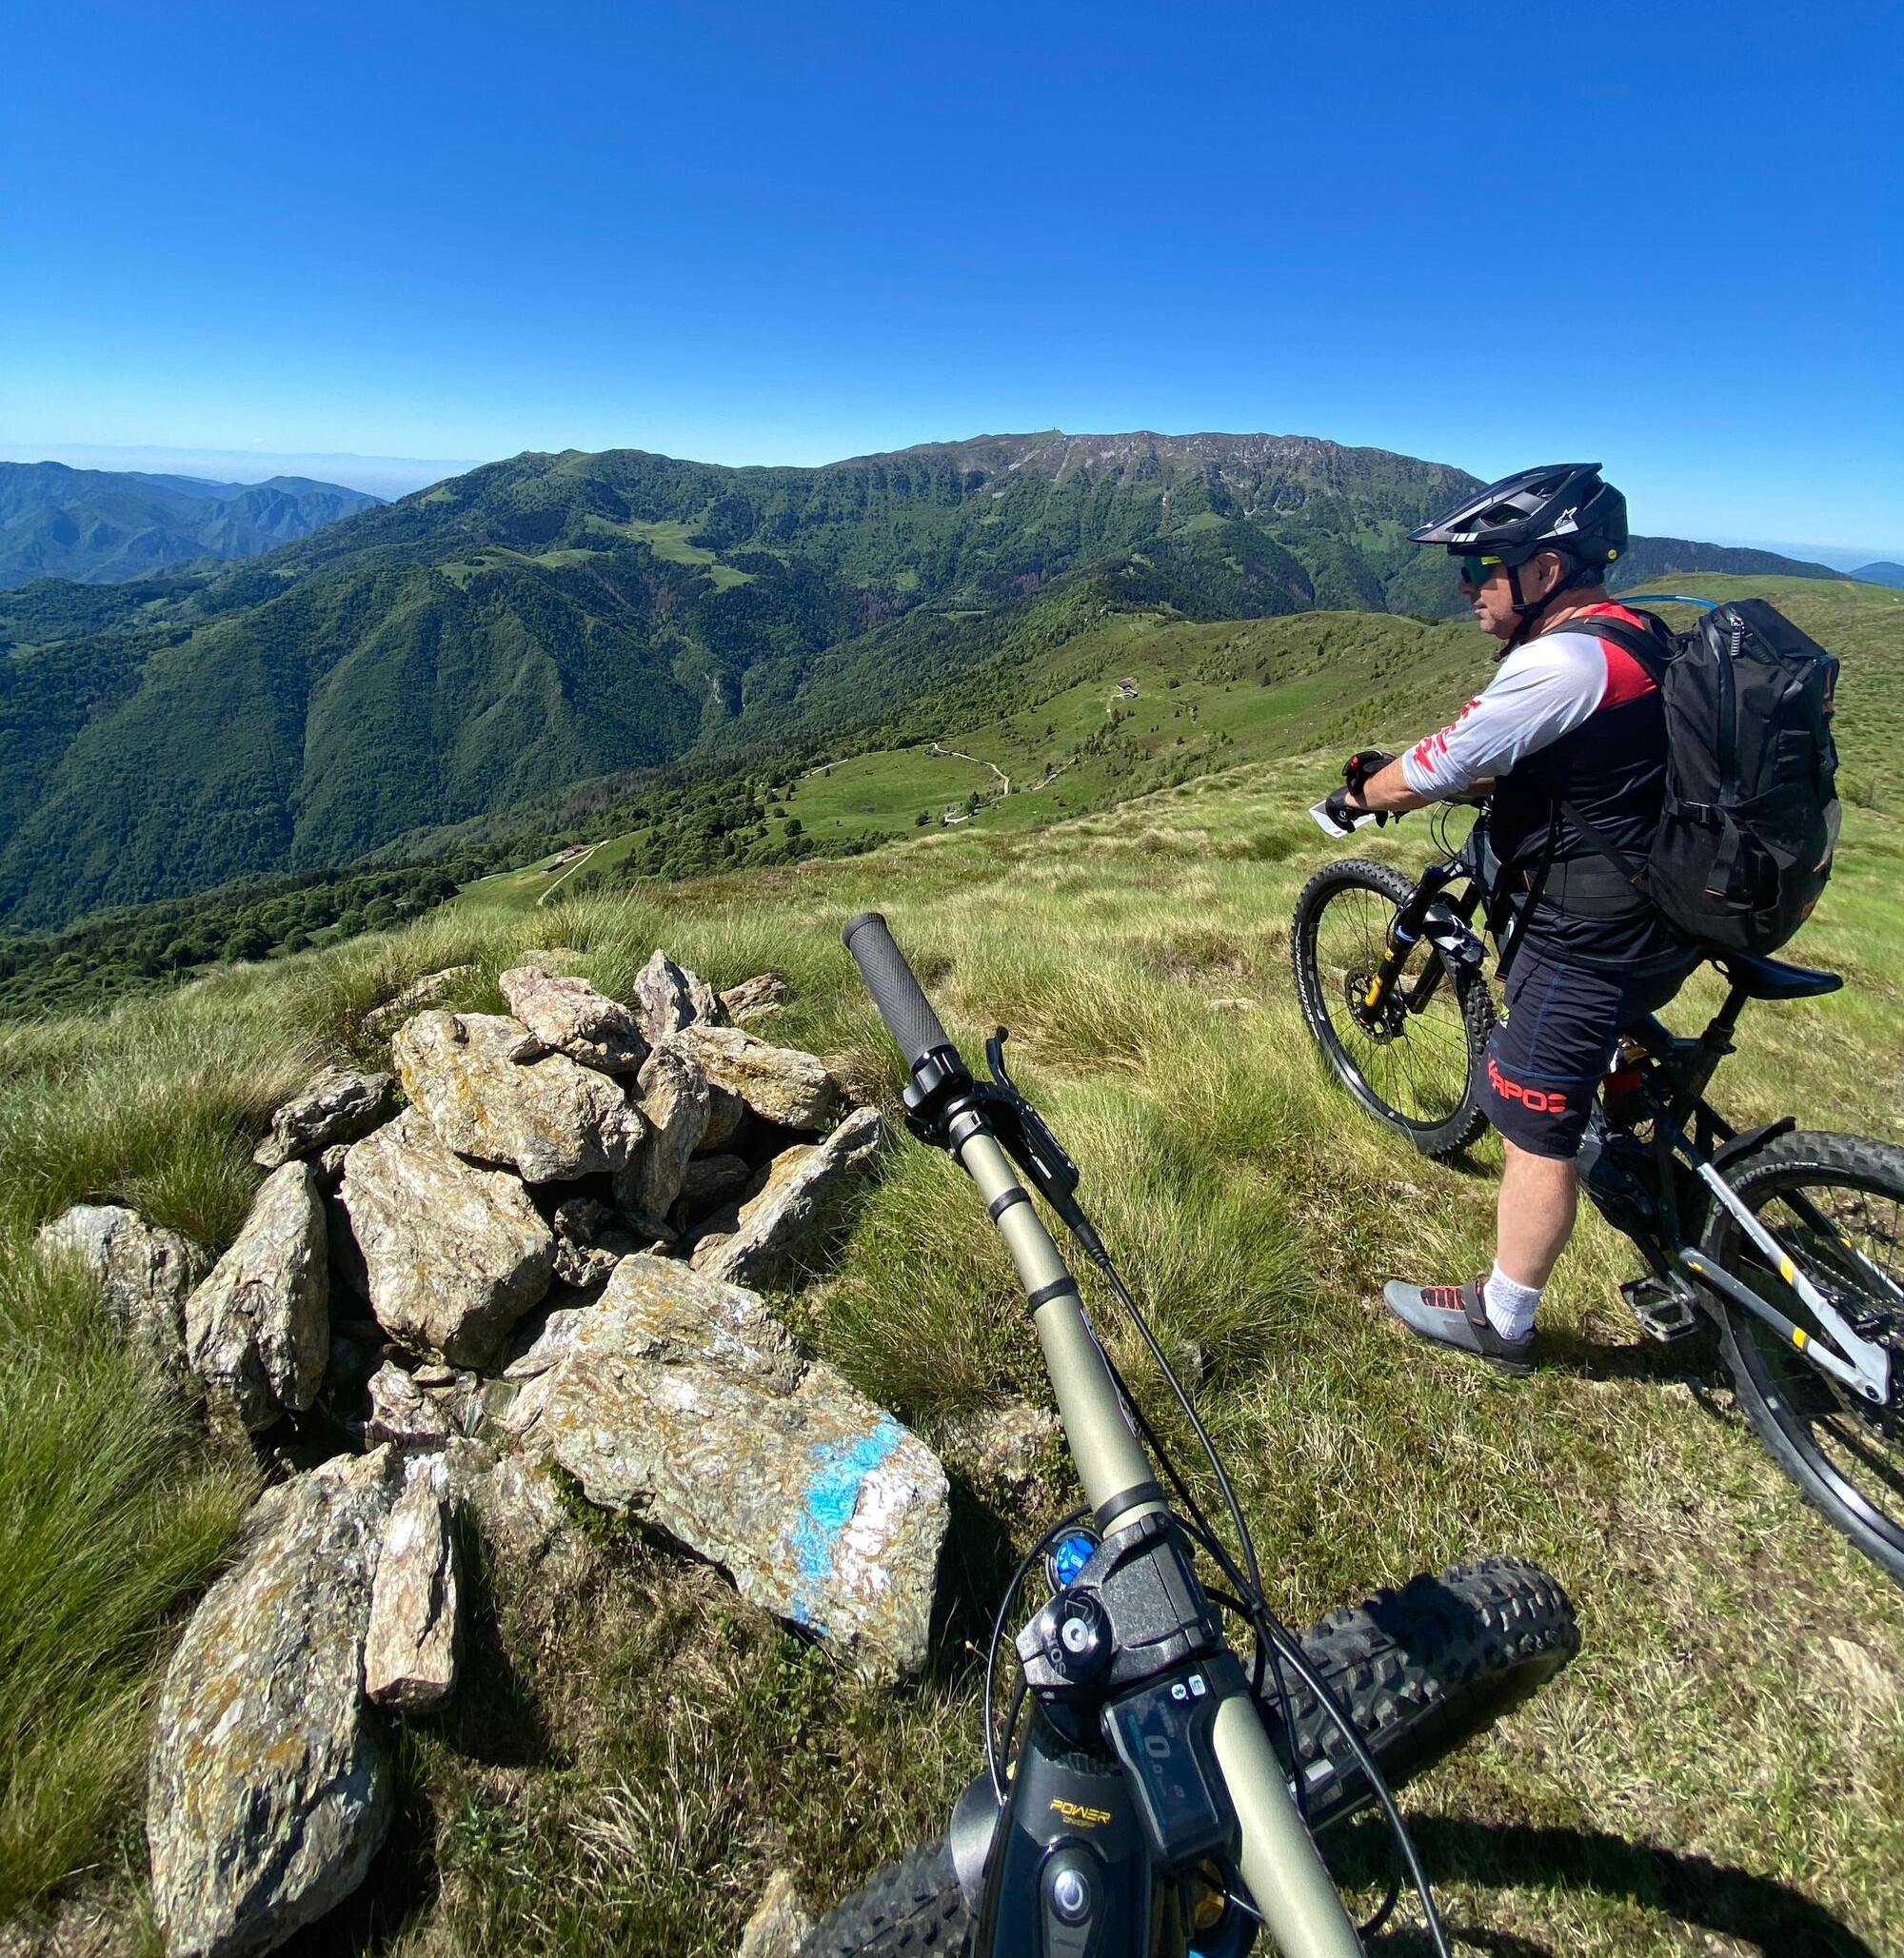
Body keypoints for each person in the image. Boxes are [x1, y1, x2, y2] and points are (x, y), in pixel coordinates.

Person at [1322, 463, 1698, 1375]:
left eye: (1486, 566)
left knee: (1534, 1127)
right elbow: (1543, 757)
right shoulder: (1631, 637)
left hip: (1590, 928)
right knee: (1594, 1049)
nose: (1467, 587)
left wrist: (1362, 795)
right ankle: (1653, 1166)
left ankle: (1505, 1317)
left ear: (1548, 569)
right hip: (1661, 912)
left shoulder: (1559, 661)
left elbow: (1442, 761)